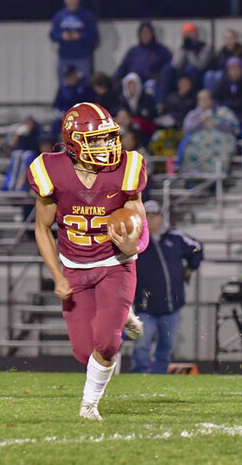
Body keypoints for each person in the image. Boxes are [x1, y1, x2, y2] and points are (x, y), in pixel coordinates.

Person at [28, 102, 148, 421]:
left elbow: (138, 215)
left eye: (108, 138)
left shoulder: (127, 166)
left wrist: (137, 242)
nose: (105, 145)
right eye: (94, 140)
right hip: (74, 266)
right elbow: (42, 228)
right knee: (84, 351)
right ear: (72, 142)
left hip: (116, 263)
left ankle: (89, 405)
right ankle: (123, 316)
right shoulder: (50, 170)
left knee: (107, 344)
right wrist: (57, 275)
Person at [131, 200, 203, 374]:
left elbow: (197, 248)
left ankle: (159, 375)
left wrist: (190, 268)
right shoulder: (135, 241)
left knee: (167, 345)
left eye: (154, 216)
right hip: (145, 306)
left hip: (171, 305)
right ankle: (139, 375)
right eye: (147, 216)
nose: (151, 219)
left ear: (161, 217)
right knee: (142, 344)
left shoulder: (175, 237)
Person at [49, 0, 99, 80]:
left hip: (82, 58)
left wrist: (80, 36)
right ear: (65, 0)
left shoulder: (87, 16)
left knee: (84, 87)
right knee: (64, 88)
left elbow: (95, 37)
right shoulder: (59, 16)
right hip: (64, 58)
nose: (72, 0)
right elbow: (52, 35)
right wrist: (62, 36)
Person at [115, 21, 172, 87]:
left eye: (148, 33)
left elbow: (169, 68)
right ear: (140, 35)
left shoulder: (161, 51)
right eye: (143, 33)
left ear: (152, 34)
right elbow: (123, 68)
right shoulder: (133, 51)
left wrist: (157, 76)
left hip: (151, 83)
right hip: (133, 84)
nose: (145, 35)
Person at [53, 65, 97, 130]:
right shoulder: (63, 89)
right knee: (55, 124)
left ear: (75, 74)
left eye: (70, 76)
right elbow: (57, 105)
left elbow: (91, 101)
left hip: (83, 116)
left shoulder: (85, 85)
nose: (69, 79)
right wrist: (62, 114)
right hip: (67, 116)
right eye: (67, 77)